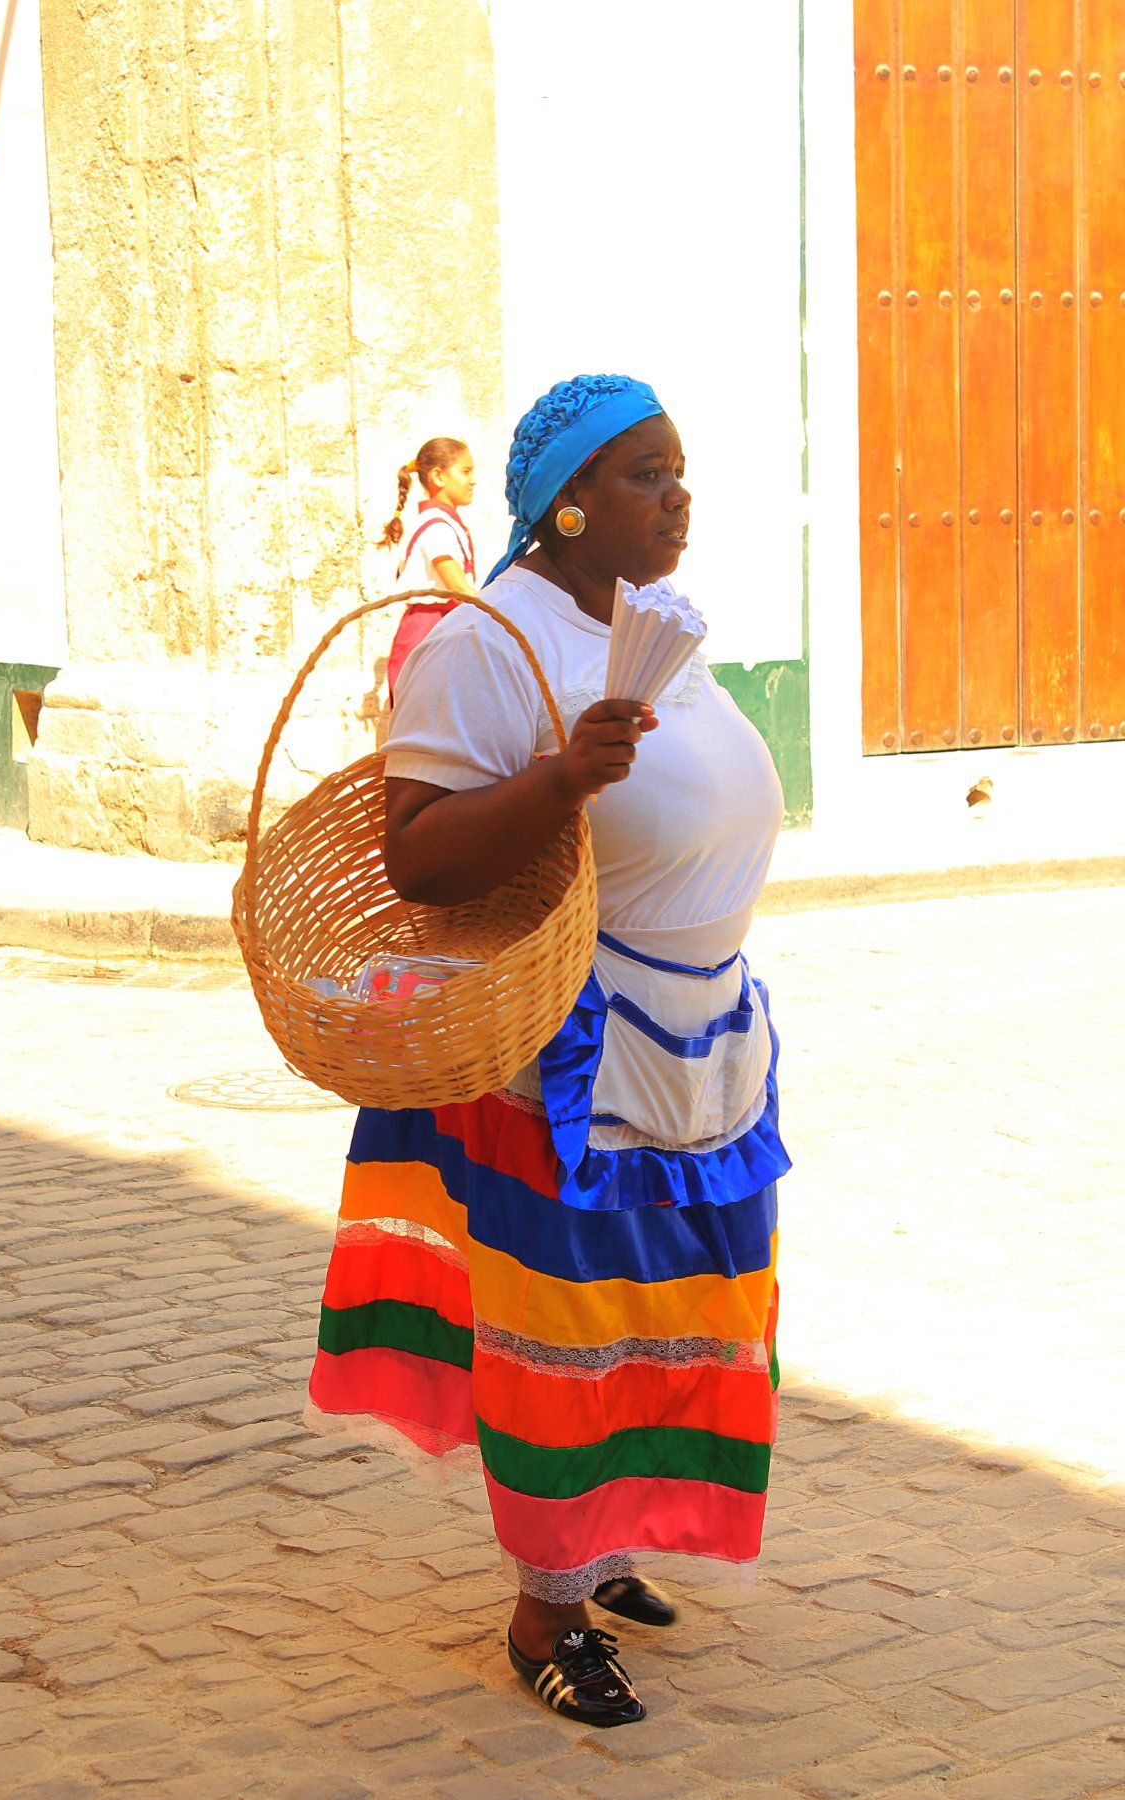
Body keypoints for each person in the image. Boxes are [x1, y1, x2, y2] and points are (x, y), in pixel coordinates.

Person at [308, 374, 790, 1727]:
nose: (676, 495)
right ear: (564, 504)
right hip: (569, 1058)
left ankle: (604, 1536)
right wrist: (566, 779)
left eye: (680, 469)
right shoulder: (489, 639)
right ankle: (546, 1608)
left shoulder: (649, 626)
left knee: (672, 1308)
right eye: (644, 474)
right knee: (564, 1325)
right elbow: (419, 855)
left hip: (703, 1040)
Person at [378, 436, 479, 699]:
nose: (472, 480)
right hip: (429, 632)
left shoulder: (443, 521)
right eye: (465, 471)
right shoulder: (436, 525)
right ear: (438, 476)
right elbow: (458, 587)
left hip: (440, 630)